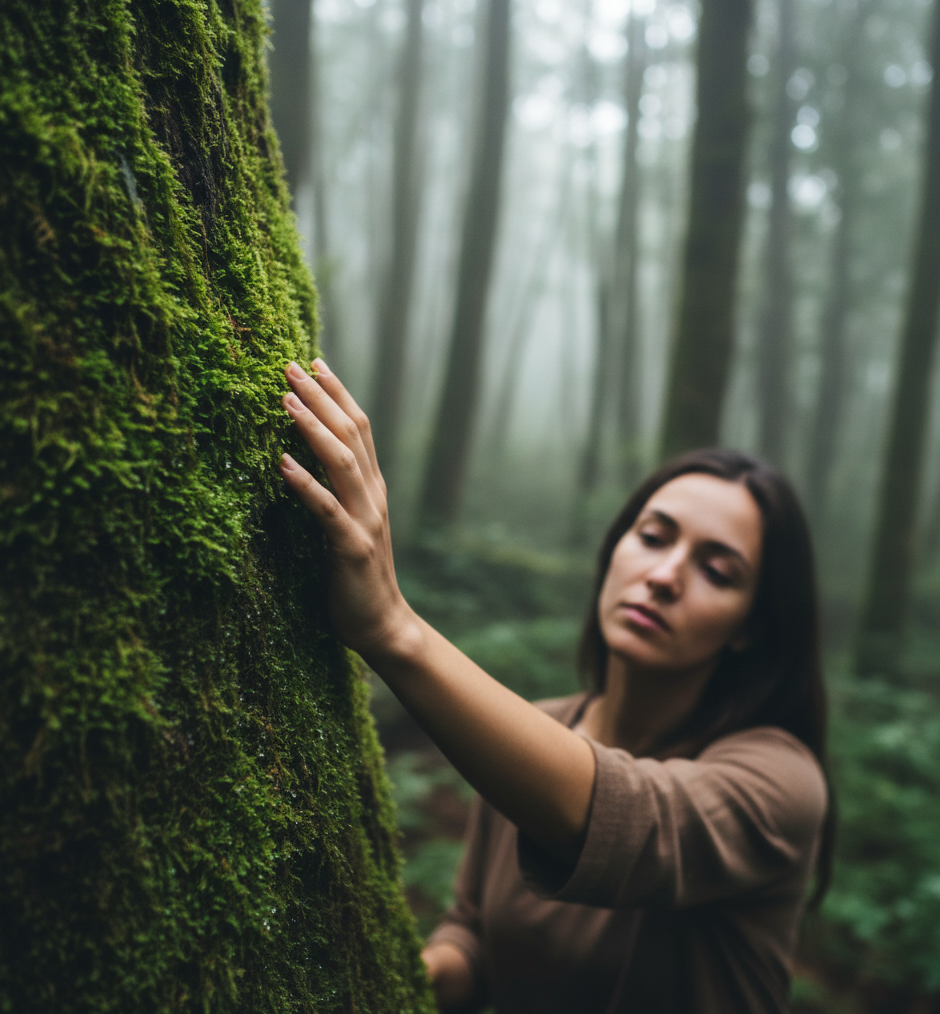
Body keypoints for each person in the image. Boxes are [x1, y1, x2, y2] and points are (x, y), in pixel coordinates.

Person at [278, 358, 832, 1014]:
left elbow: (629, 824)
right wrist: (405, 984)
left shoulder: (781, 782)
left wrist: (394, 629)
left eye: (718, 571)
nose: (664, 575)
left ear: (750, 627)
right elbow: (476, 935)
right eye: (653, 537)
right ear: (616, 548)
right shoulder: (537, 731)